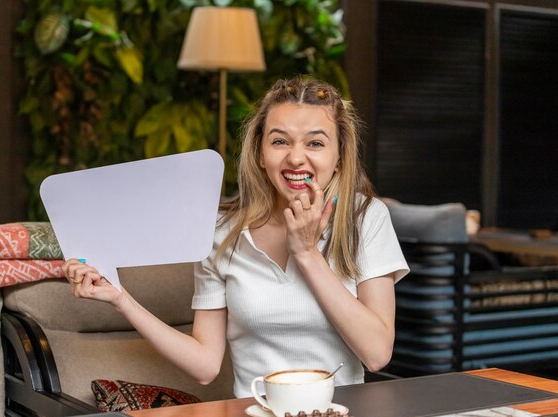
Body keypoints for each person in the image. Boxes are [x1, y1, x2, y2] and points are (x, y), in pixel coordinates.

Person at [63, 76, 409, 398]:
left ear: (338, 157)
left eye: (315, 143)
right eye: (279, 141)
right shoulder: (221, 232)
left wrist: (307, 254)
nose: (295, 158)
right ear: (260, 153)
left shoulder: (366, 218)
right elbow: (204, 365)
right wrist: (120, 297)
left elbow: (377, 354)